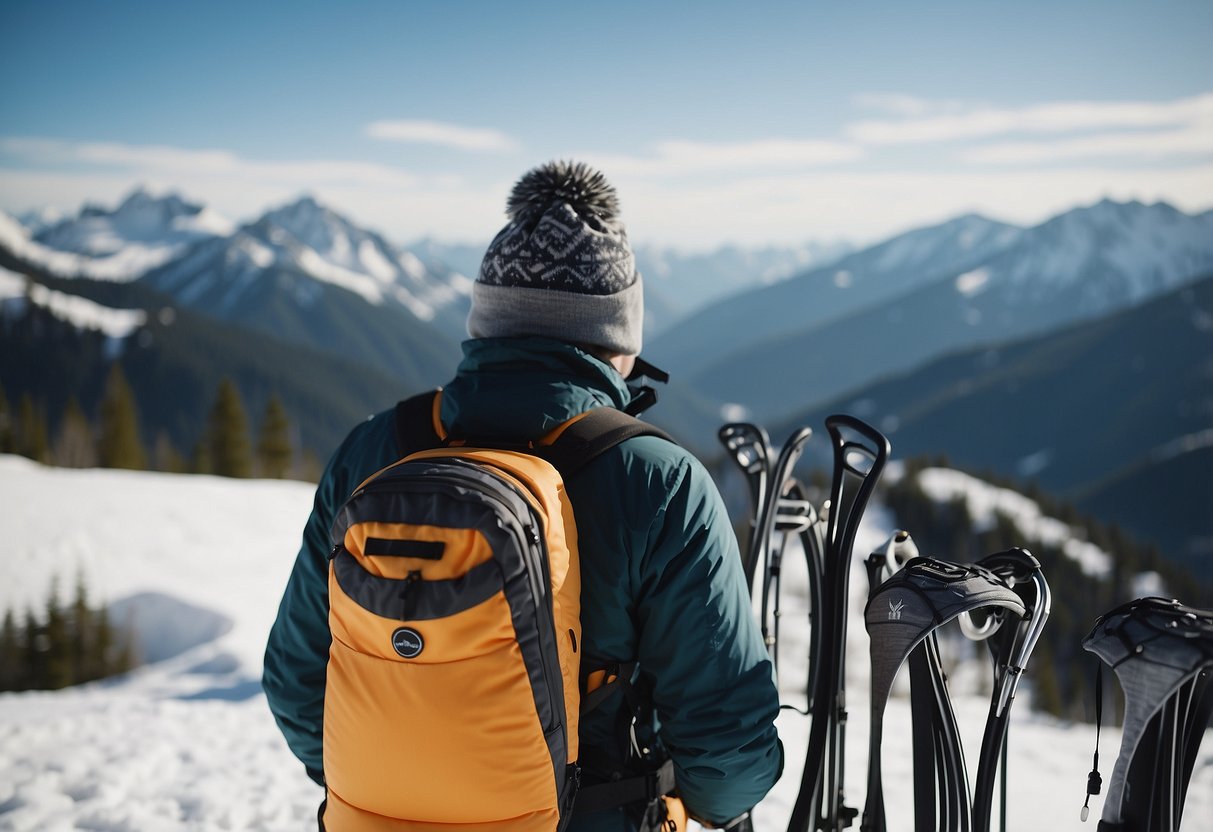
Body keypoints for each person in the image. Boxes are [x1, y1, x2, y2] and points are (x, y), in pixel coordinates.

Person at [263, 160, 782, 830]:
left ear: (487, 322)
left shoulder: (371, 451)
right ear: (617, 336)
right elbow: (726, 754)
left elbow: (296, 679)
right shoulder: (658, 481)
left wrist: (386, 790)